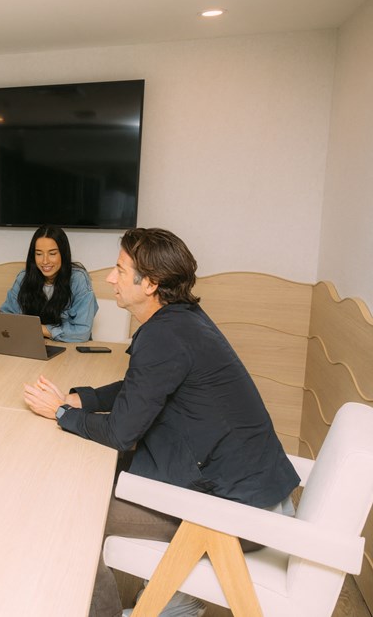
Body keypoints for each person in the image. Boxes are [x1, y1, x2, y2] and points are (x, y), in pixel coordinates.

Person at [22, 228, 299, 617]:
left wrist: (61, 413)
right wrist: (85, 398)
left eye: (120, 270)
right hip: (255, 492)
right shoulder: (180, 321)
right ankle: (175, 603)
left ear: (150, 283)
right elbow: (145, 385)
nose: (110, 278)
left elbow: (120, 433)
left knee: (74, 512)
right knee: (96, 474)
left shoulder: (164, 336)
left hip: (240, 513)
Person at [0, 224, 98, 343]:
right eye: (39, 254)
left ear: (63, 254)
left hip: (69, 350)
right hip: (30, 345)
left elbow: (81, 332)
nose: (45, 261)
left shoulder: (78, 279)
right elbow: (6, 317)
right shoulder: (23, 277)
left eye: (52, 254)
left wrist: (36, 329)